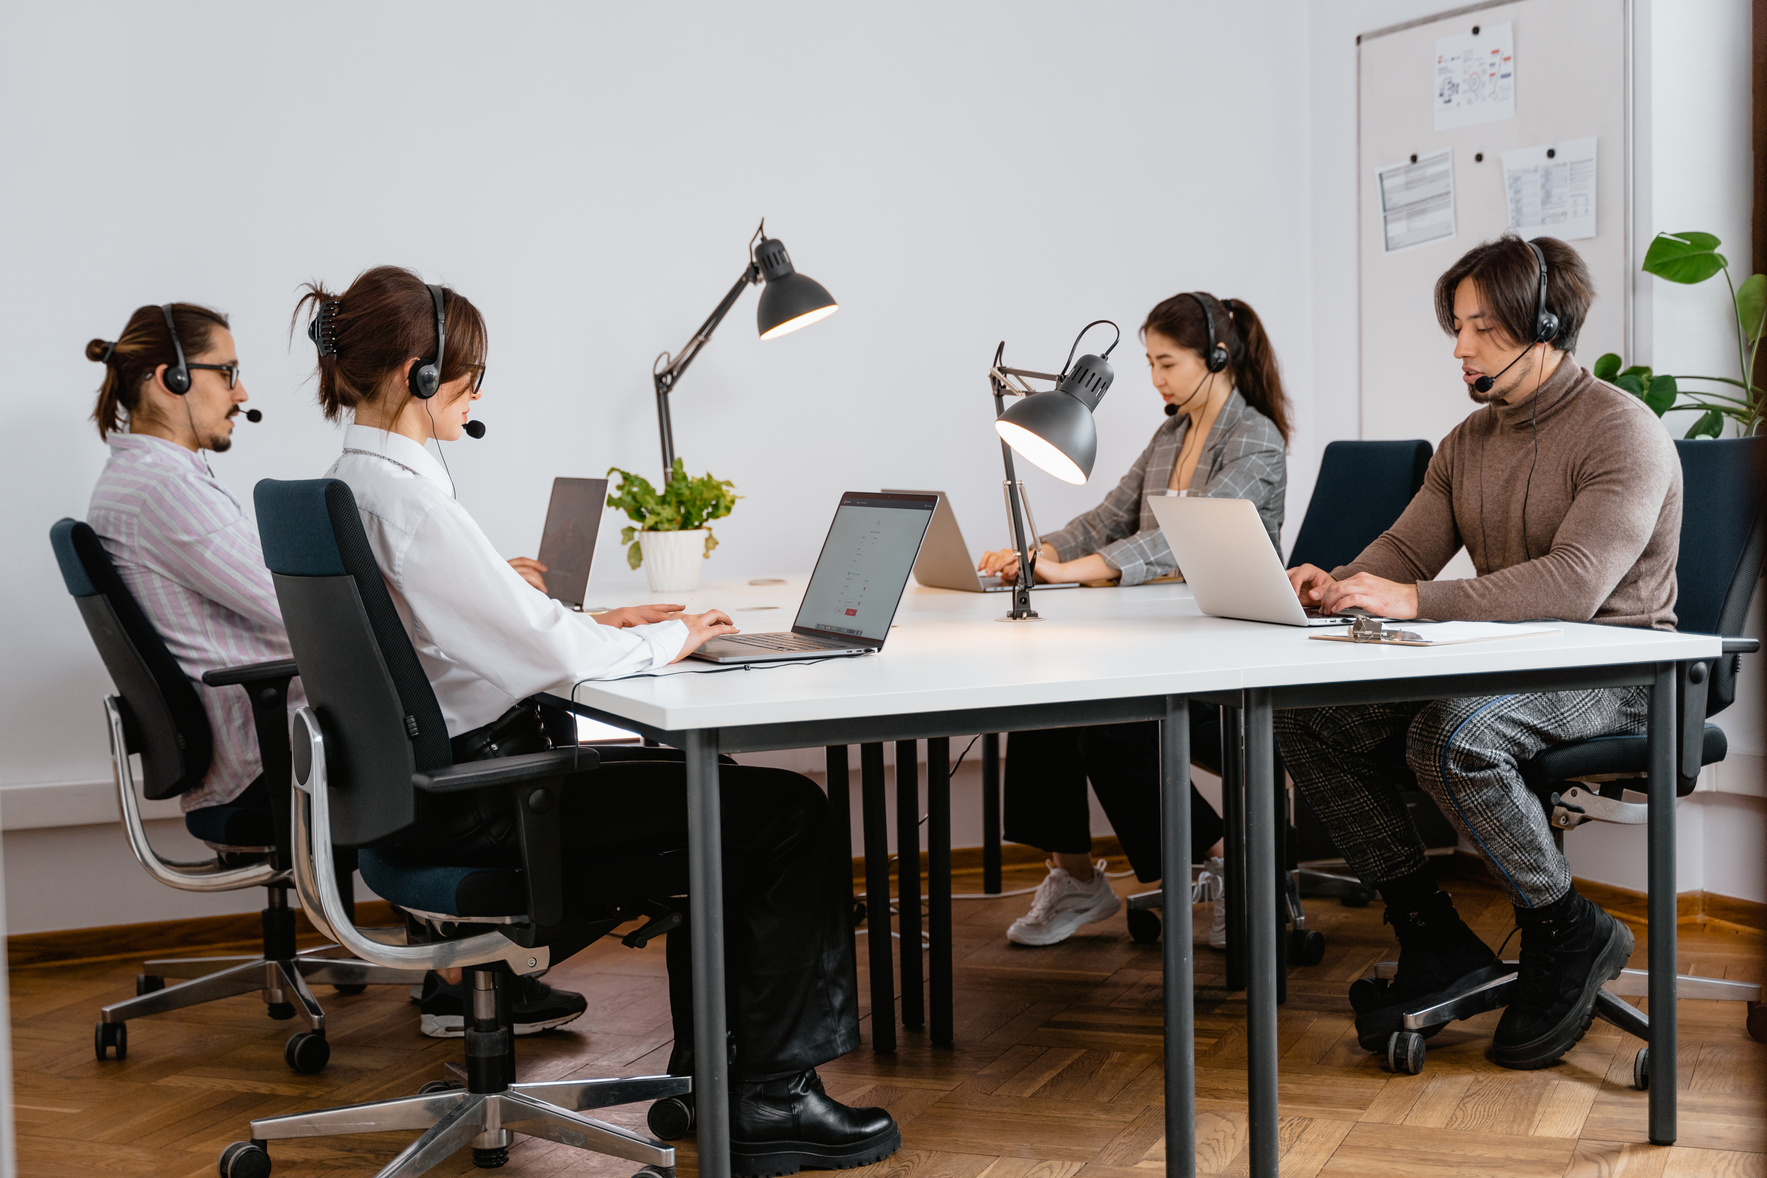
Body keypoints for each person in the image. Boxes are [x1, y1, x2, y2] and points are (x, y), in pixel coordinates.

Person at [300, 265, 898, 1177]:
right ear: (421, 374)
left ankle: (721, 1078)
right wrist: (667, 637)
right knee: (785, 816)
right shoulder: (411, 501)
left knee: (721, 799)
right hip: (489, 806)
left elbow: (482, 628)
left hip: (416, 799)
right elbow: (554, 659)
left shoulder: (356, 484)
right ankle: (770, 1100)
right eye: (470, 371)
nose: (476, 389)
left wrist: (591, 622)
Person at [83, 302, 589, 1040]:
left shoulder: (144, 479)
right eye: (226, 372)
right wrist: (440, 584)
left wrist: (461, 580)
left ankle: (462, 972)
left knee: (427, 696)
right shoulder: (164, 488)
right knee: (454, 710)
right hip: (262, 749)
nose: (242, 391)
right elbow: (295, 599)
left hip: (242, 735)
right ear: (171, 379)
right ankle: (467, 975)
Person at [1276, 234, 1679, 1070]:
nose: (1459, 348)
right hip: (1515, 666)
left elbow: (1573, 584)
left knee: (1451, 733)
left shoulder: (1620, 431)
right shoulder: (1468, 441)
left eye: (1483, 329)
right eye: (1456, 326)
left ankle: (1566, 928)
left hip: (1619, 667)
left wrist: (1412, 600)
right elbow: (1404, 552)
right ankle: (1432, 934)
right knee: (1311, 723)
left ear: (1546, 325)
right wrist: (1338, 583)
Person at [975, 292, 1291, 947]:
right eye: (1148, 362)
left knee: (1111, 722)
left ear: (1218, 357)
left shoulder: (1253, 439)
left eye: (1167, 363)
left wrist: (1076, 571)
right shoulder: (1170, 435)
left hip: (1229, 652)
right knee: (1044, 692)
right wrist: (1042, 553)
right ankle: (1075, 879)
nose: (1155, 380)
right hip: (1168, 640)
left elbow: (1179, 541)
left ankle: (1229, 856)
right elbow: (1110, 517)